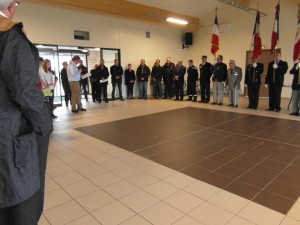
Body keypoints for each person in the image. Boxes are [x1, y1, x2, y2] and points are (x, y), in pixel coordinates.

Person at [0, 2, 52, 225]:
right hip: (11, 134)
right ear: (12, 5)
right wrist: (44, 124)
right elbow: (24, 89)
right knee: (21, 202)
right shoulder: (8, 34)